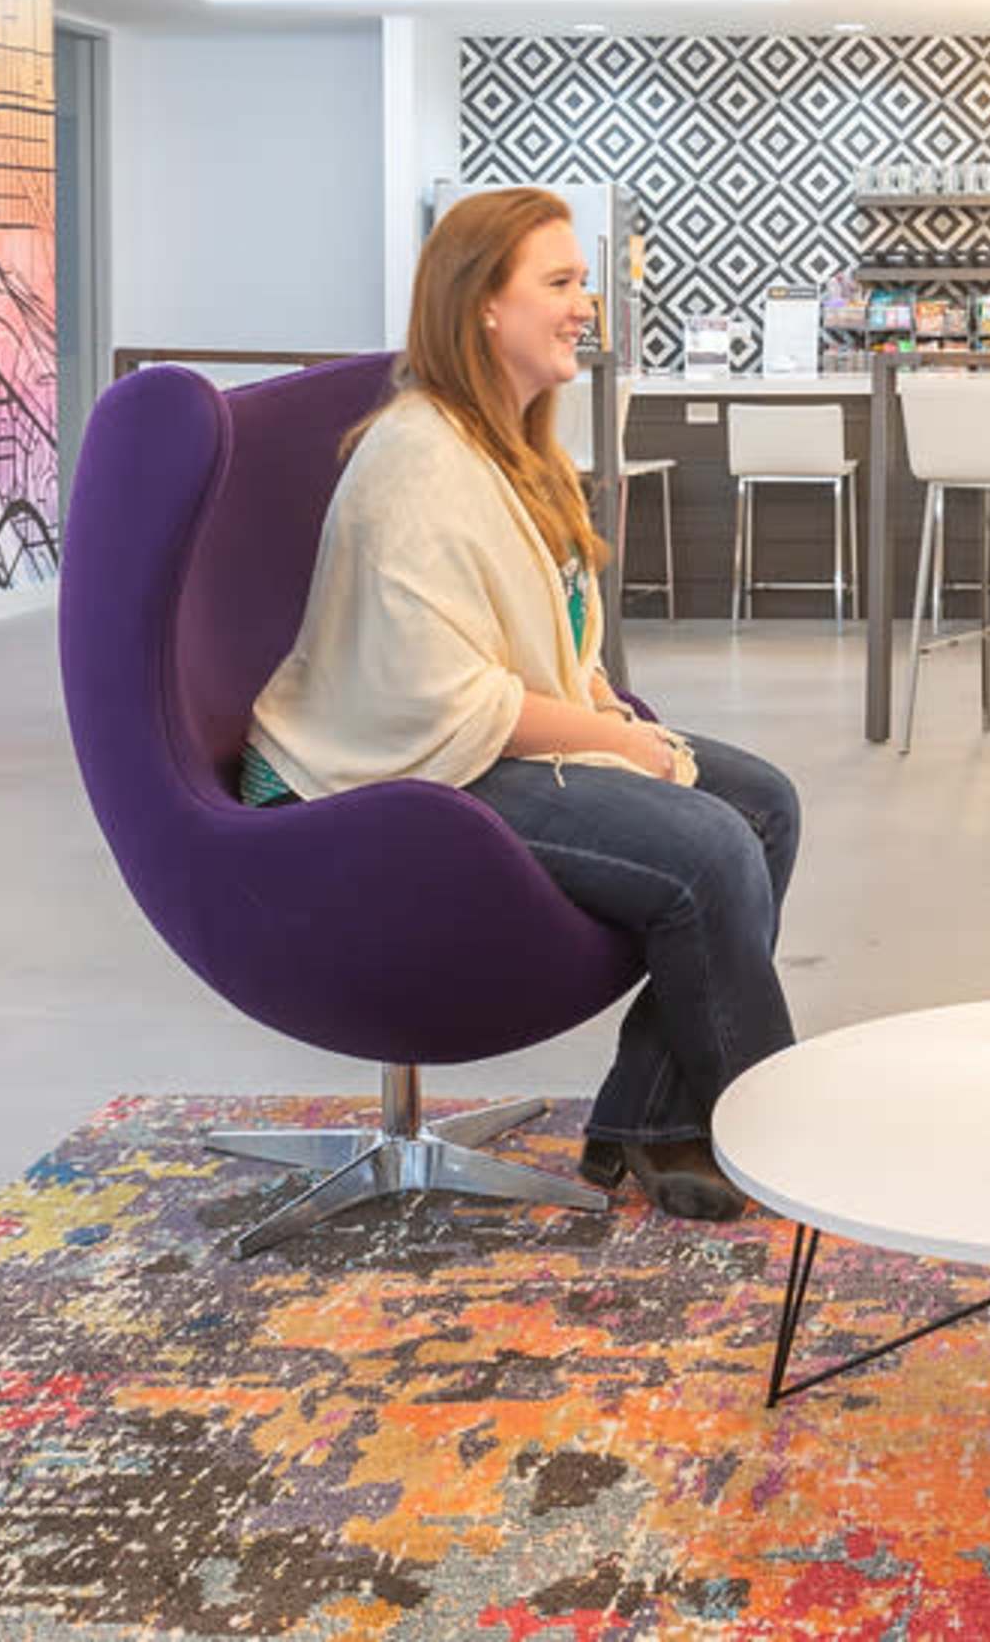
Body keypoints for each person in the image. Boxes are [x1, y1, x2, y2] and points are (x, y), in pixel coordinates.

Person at [245, 187, 800, 1222]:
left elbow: (550, 630)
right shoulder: (419, 461)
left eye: (582, 281)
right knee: (714, 848)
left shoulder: (508, 440)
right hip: (391, 773)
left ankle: (646, 1121)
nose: (585, 304)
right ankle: (758, 1131)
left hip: (470, 739)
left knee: (764, 802)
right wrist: (612, 738)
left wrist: (605, 712)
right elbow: (439, 696)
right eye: (560, 282)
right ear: (482, 307)